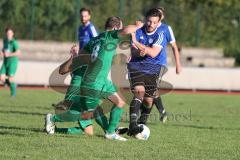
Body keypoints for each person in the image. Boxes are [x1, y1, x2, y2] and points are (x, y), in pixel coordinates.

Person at [46, 16, 143, 141]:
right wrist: (138, 26)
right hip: (94, 81)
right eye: (119, 29)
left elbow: (83, 58)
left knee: (119, 102)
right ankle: (53, 118)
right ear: (114, 28)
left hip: (100, 80)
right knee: (90, 113)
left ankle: (111, 131)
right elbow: (127, 30)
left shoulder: (95, 40)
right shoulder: (110, 36)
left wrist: (73, 59)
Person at [52, 8, 99, 135]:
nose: (83, 18)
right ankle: (54, 118)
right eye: (81, 16)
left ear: (89, 16)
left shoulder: (91, 28)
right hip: (81, 65)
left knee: (89, 132)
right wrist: (76, 54)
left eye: (85, 16)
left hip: (87, 64)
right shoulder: (80, 28)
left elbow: (97, 44)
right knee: (80, 101)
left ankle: (55, 128)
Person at [137, 7, 182, 125]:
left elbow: (174, 46)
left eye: (160, 14)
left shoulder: (166, 28)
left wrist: (178, 64)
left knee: (150, 91)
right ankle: (161, 111)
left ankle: (143, 120)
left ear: (162, 16)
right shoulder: (147, 26)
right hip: (144, 63)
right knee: (150, 91)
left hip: (159, 64)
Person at [0, 28, 21, 97]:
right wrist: (2, 52)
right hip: (6, 61)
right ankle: (13, 85)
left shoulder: (14, 42)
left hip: (12, 62)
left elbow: (18, 53)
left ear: (12, 34)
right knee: (1, 77)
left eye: (10, 33)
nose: (8, 34)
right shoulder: (5, 41)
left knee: (10, 78)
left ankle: (13, 94)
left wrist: (9, 54)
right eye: (7, 33)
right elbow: (4, 50)